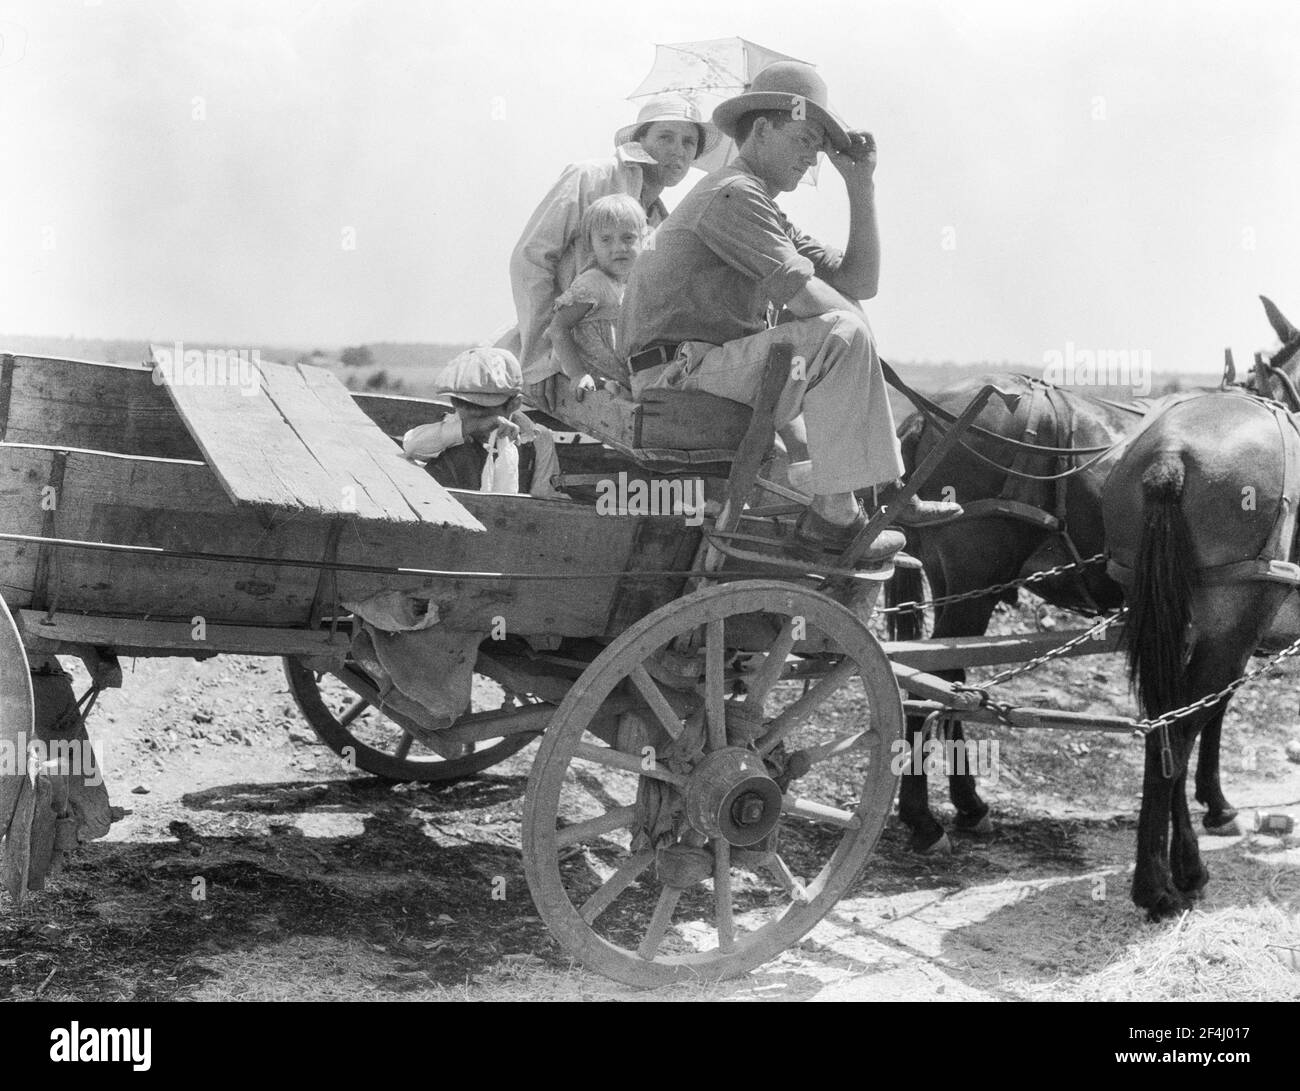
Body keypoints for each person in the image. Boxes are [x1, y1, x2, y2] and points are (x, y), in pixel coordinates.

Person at [619, 61, 962, 562]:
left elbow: (858, 282)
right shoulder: (731, 194)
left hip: (702, 367)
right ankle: (838, 515)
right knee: (842, 330)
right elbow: (815, 303)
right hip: (679, 373)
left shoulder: (763, 206)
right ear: (761, 130)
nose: (812, 159)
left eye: (819, 148)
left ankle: (871, 494)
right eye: (805, 141)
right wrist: (857, 342)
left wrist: (859, 183)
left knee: (846, 323)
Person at [503, 94, 721, 414]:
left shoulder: (663, 223)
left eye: (689, 142)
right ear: (640, 141)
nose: (679, 150)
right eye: (665, 137)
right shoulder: (591, 177)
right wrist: (540, 362)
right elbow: (531, 259)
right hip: (549, 356)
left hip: (605, 372)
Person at [401, 347, 564, 499]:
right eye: (468, 410)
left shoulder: (538, 439)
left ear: (514, 404)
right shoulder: (444, 432)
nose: (482, 422)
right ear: (455, 403)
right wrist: (472, 427)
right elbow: (412, 446)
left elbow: (542, 500)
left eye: (486, 411)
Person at [546, 194, 646, 400]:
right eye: (606, 240)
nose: (618, 248)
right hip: (592, 374)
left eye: (628, 237)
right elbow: (558, 327)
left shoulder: (629, 284)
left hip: (618, 372)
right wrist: (577, 374)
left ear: (643, 239)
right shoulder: (593, 282)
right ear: (591, 246)